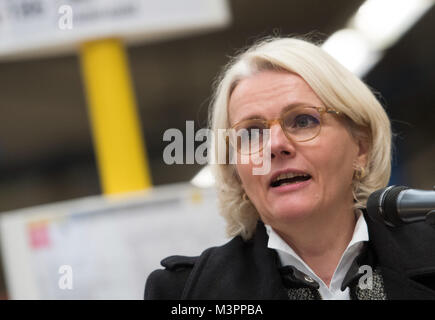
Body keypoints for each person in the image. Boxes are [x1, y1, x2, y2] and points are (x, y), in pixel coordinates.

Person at [145, 36, 435, 300]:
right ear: (236, 172)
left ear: (360, 147)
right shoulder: (180, 294)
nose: (275, 145)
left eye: (303, 121)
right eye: (252, 132)